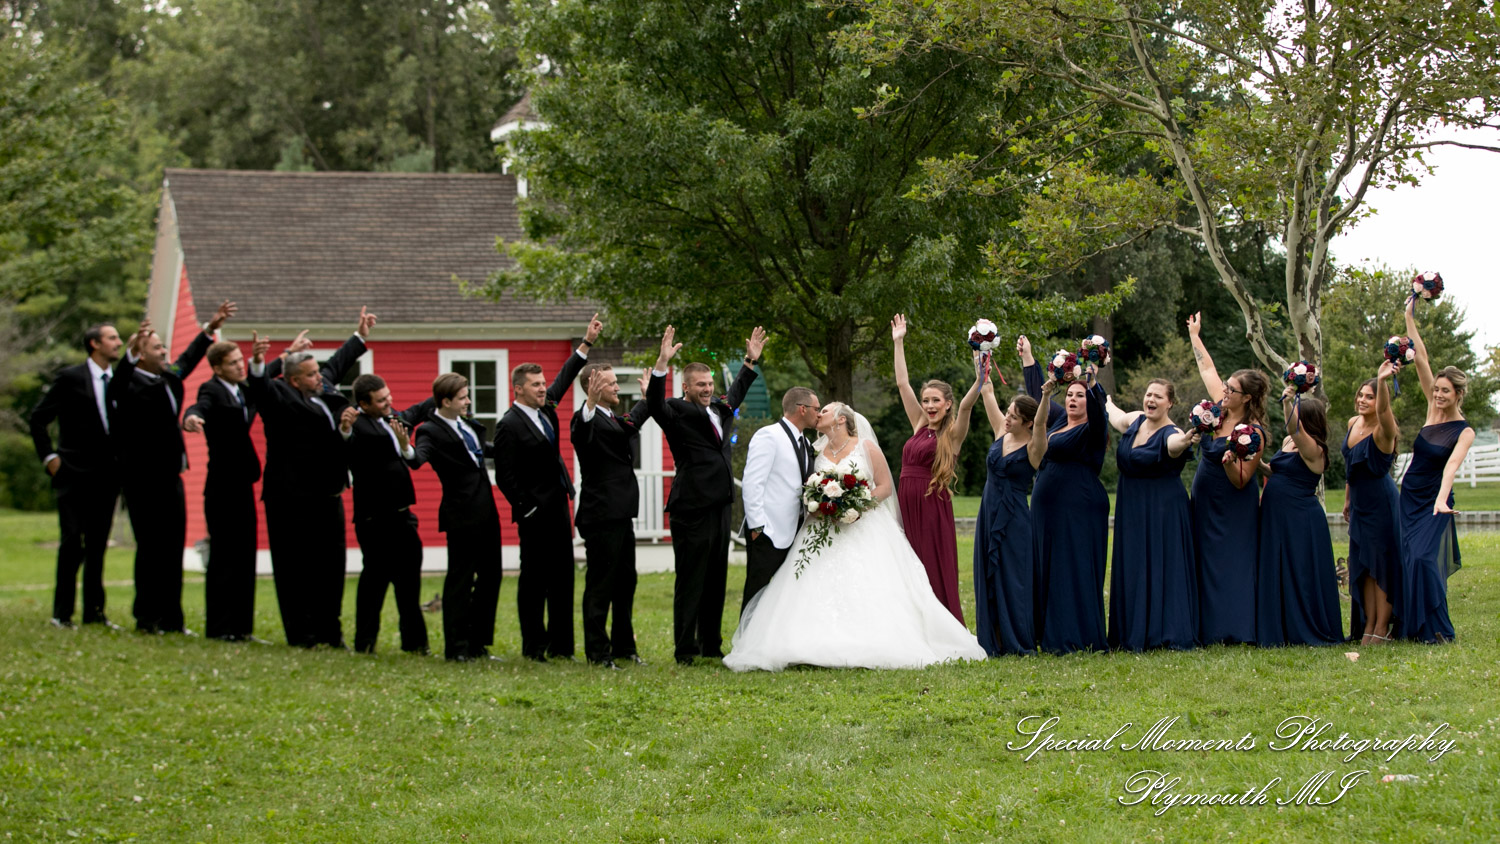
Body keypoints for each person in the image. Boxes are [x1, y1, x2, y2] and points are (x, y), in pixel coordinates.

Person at [724, 403, 986, 671]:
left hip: (864, 525)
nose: (818, 414)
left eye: (824, 411)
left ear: (840, 419)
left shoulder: (866, 447)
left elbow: (884, 487)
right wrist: (822, 504)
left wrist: (854, 505)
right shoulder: (815, 451)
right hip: (821, 527)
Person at [244, 308, 375, 648]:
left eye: (318, 371)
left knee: (331, 568)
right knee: (294, 569)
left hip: (328, 494)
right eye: (311, 373)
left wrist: (359, 335)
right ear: (294, 379)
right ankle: (302, 635)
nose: (319, 376)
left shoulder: (323, 389)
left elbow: (337, 363)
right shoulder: (279, 397)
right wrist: (259, 364)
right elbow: (258, 388)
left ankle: (331, 633)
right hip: (291, 497)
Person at [648, 324, 766, 665]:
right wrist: (661, 364)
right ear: (686, 387)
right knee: (692, 579)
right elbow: (654, 403)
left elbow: (736, 394)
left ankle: (709, 644)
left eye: (710, 384)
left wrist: (749, 362)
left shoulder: (719, 408)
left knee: (716, 577)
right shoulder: (674, 411)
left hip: (719, 505)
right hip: (691, 507)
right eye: (701, 385)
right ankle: (685, 649)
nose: (707, 389)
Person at [108, 303, 230, 634]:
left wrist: (209, 329)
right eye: (158, 347)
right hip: (142, 479)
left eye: (163, 346)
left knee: (173, 545)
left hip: (171, 476)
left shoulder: (168, 377)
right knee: (150, 548)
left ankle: (172, 620)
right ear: (140, 354)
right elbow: (114, 388)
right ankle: (147, 618)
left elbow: (187, 362)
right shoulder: (128, 382)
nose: (164, 351)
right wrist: (129, 357)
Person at [183, 330, 306, 643]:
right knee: (224, 557)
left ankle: (241, 628)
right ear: (218, 367)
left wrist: (288, 352)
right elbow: (199, 407)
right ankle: (220, 628)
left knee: (245, 556)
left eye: (241, 360)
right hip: (222, 487)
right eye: (233, 362)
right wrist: (191, 419)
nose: (240, 366)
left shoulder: (243, 389)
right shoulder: (212, 390)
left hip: (243, 484)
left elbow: (262, 376)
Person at [493, 315, 599, 662]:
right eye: (535, 384)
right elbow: (505, 477)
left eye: (542, 383)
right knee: (534, 582)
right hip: (534, 512)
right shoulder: (508, 425)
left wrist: (586, 343)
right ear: (518, 389)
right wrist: (527, 508)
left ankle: (562, 646)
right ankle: (534, 647)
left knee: (562, 579)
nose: (542, 388)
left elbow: (565, 378)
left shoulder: (548, 410)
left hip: (558, 507)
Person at [30, 323, 127, 630]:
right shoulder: (70, 378)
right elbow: (38, 418)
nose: (118, 342)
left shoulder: (118, 381)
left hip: (107, 476)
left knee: (98, 543)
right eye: (112, 338)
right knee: (72, 541)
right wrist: (50, 458)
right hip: (72, 473)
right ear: (94, 343)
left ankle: (95, 613)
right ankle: (62, 614)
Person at [1186, 313, 1270, 645]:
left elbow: (1242, 480)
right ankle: (1205, 629)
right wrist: (1195, 335)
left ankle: (1234, 630)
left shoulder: (1254, 433)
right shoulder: (1217, 411)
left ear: (1247, 397)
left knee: (1231, 564)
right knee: (1204, 560)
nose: (1225, 390)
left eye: (1232, 389)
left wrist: (1229, 462)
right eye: (1226, 386)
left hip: (1234, 506)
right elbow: (1207, 369)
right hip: (1204, 502)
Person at [890, 314, 980, 623]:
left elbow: (967, 406)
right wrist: (898, 341)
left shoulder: (952, 435)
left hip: (931, 505)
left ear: (947, 404)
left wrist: (980, 380)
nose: (928, 405)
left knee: (929, 562)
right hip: (905, 502)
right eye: (926, 399)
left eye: (935, 401)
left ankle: (940, 622)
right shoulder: (918, 423)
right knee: (906, 562)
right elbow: (902, 383)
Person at [410, 373, 504, 662]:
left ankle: (478, 643)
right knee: (460, 582)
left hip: (487, 512)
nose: (468, 401)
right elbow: (416, 459)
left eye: (468, 395)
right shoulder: (429, 431)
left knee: (491, 577)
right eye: (463, 397)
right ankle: (457, 648)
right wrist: (404, 447)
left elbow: (481, 453)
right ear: (446, 401)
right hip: (461, 515)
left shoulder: (468, 425)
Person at [1397, 297, 1475, 643]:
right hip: (1409, 496)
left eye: (1445, 391)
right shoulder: (1431, 408)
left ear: (1458, 394)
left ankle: (1438, 629)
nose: (1438, 394)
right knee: (1410, 558)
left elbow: (1452, 467)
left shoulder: (1465, 430)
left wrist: (1442, 500)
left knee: (1427, 561)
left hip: (1435, 500)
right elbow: (1422, 358)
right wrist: (1408, 317)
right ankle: (1412, 629)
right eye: (1436, 389)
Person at [1024, 342, 1109, 655]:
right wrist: (1029, 359)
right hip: (1048, 507)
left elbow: (1100, 412)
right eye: (1071, 394)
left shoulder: (1093, 429)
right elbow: (1039, 395)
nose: (1074, 399)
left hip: (1079, 507)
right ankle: (1046, 630)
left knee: (1071, 566)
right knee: (1047, 565)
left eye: (1080, 395)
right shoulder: (1060, 421)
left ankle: (1075, 635)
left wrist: (1092, 381)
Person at [1104, 379, 1199, 652]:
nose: (1151, 400)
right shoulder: (1135, 421)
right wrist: (1105, 399)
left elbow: (1174, 445)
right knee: (1134, 563)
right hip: (1132, 507)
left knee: (1162, 564)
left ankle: (1164, 630)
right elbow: (1116, 417)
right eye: (1148, 395)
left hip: (1163, 510)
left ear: (1170, 402)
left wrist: (1187, 438)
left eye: (1158, 396)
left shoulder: (1173, 432)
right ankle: (1132, 630)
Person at [571, 364, 653, 669]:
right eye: (611, 384)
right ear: (593, 388)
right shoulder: (585, 420)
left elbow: (634, 422)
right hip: (600, 516)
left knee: (624, 583)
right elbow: (581, 432)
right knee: (600, 585)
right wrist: (589, 404)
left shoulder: (613, 420)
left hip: (621, 515)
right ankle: (598, 653)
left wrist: (646, 398)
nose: (617, 387)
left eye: (616, 382)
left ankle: (623, 646)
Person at [344, 373, 432, 655]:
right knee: (375, 582)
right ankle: (365, 642)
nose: (388, 403)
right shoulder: (357, 427)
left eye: (388, 397)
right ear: (363, 404)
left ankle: (416, 644)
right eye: (381, 401)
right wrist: (344, 430)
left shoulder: (392, 420)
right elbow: (346, 443)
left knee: (409, 582)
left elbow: (414, 412)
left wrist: (443, 394)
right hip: (375, 520)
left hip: (403, 515)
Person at [1255, 388, 1342, 646]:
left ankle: (1304, 627)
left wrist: (1287, 400)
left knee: (1300, 571)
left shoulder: (1315, 450)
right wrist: (1252, 458)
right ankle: (1280, 626)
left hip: (1300, 518)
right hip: (1276, 515)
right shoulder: (1288, 442)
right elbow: (1275, 470)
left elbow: (1294, 428)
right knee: (1279, 568)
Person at [973, 350, 1039, 657]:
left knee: (1013, 579)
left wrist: (1047, 394)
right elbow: (986, 389)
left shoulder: (1035, 445)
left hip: (1013, 517)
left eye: (1013, 415)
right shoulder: (1003, 431)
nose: (1007, 417)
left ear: (1027, 422)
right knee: (987, 573)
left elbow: (1042, 424)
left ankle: (1016, 638)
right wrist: (981, 355)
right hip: (988, 510)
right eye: (1008, 412)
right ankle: (992, 639)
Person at [739, 386, 820, 613]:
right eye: (816, 408)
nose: (819, 413)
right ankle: (745, 640)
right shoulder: (769, 435)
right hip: (768, 531)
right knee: (757, 590)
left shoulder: (806, 442)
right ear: (802, 409)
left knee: (784, 594)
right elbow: (753, 482)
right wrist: (757, 526)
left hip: (795, 530)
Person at [1342, 362, 1401, 644]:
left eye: (1369, 396)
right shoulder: (1353, 423)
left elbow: (1384, 412)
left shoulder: (1384, 430)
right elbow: (1350, 469)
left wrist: (1382, 380)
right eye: (1361, 395)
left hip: (1381, 504)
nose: (1362, 400)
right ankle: (1367, 625)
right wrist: (1347, 501)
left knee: (1381, 568)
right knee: (1363, 567)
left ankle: (1382, 627)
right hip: (1359, 504)